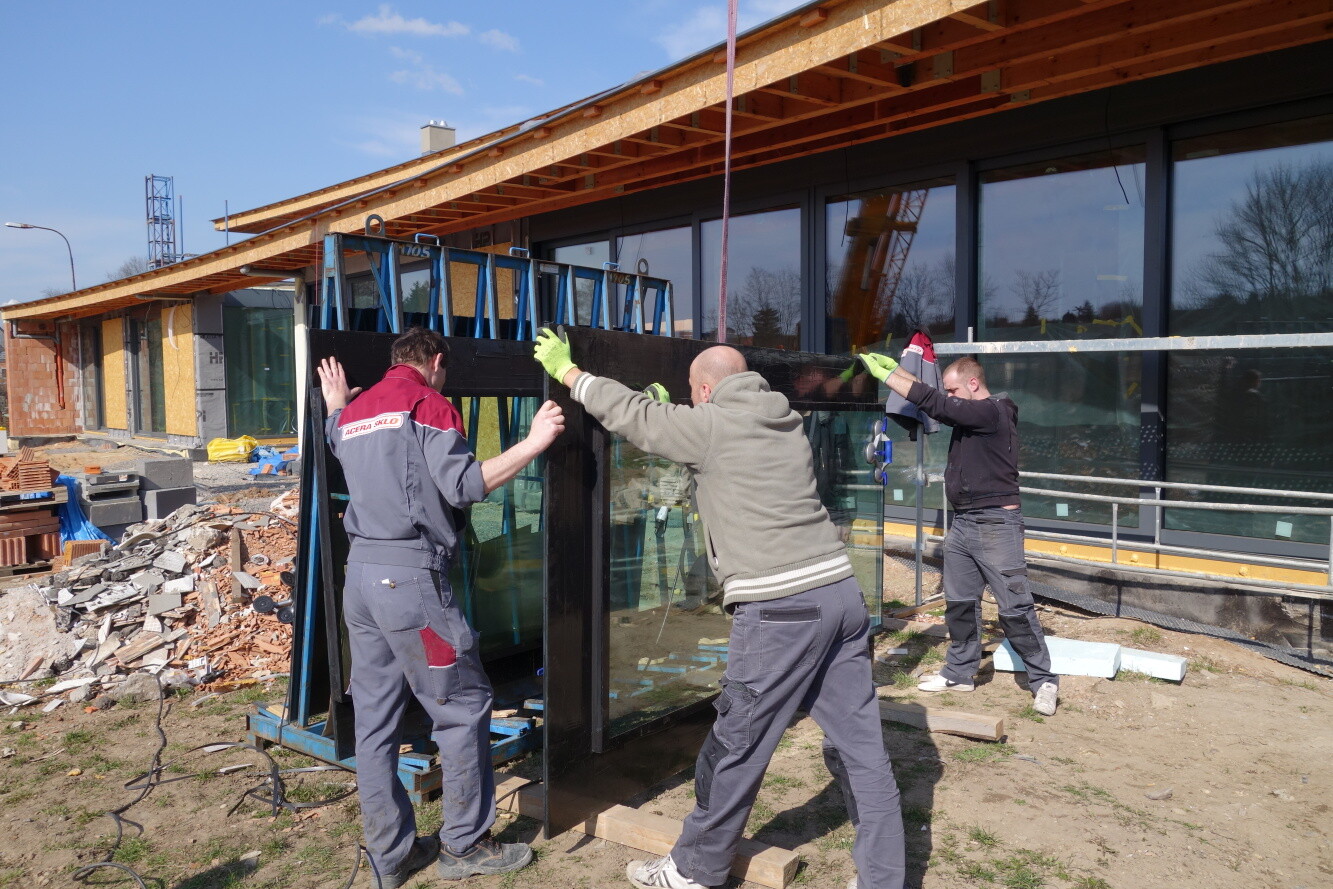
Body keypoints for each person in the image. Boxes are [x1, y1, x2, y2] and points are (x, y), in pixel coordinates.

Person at [533, 328, 905, 889]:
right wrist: (679, 416)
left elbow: (633, 416)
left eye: (692, 393)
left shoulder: (709, 426)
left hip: (781, 610)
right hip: (840, 594)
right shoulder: (784, 421)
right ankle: (884, 878)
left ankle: (694, 869)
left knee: (738, 744)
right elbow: (723, 459)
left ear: (705, 391)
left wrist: (570, 373)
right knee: (863, 751)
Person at [317, 327, 565, 888]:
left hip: (361, 581)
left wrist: (334, 405)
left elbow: (335, 439)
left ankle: (391, 857)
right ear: (434, 362)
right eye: (444, 371)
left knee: (375, 721)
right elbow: (464, 486)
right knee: (462, 704)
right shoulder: (427, 403)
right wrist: (534, 441)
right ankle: (464, 845)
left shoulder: (355, 413)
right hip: (410, 583)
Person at [859, 352, 1058, 717]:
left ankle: (1044, 680)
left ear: (973, 383)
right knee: (960, 603)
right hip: (964, 522)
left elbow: (938, 405)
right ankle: (959, 674)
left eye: (953, 390)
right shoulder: (973, 415)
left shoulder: (993, 411)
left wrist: (890, 378)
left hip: (996, 524)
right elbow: (941, 403)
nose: (949, 397)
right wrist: (899, 372)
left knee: (1014, 607)